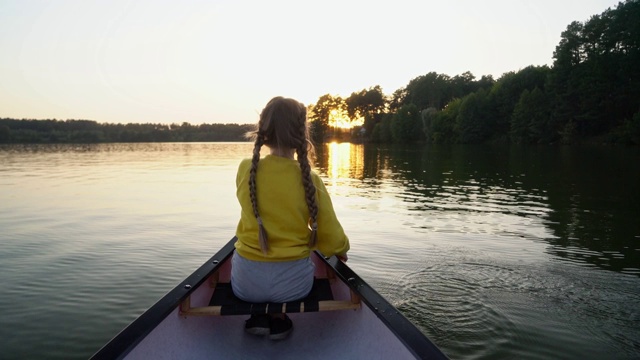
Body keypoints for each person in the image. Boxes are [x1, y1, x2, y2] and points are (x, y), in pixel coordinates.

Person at [231, 96, 350, 340]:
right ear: (301, 132)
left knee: (240, 256)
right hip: (295, 288)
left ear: (263, 130)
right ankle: (279, 319)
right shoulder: (311, 180)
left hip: (245, 287)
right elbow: (331, 236)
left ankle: (258, 317)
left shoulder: (246, 169)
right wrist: (341, 249)